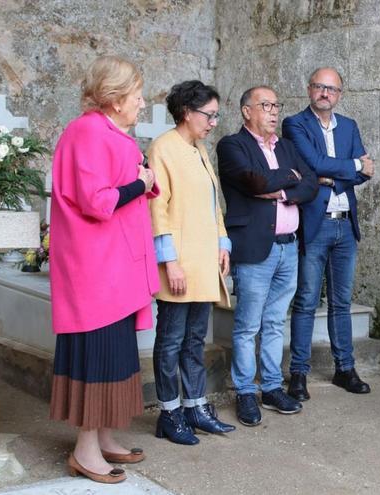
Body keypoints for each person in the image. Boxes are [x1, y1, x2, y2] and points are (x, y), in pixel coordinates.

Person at [49, 55, 158, 484]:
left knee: (115, 355)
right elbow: (98, 200)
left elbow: (126, 185)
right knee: (96, 357)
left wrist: (142, 180)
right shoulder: (88, 131)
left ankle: (104, 437)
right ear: (115, 99)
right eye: (137, 95)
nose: (142, 103)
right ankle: (84, 450)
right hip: (95, 270)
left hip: (114, 267)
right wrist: (140, 183)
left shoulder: (109, 132)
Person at [217, 86, 318, 426]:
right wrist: (288, 179)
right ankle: (246, 391)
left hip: (288, 247)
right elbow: (254, 181)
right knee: (248, 326)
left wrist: (281, 190)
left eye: (276, 105)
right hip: (255, 247)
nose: (274, 112)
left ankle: (272, 387)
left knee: (275, 322)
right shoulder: (232, 145)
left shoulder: (286, 146)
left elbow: (311, 183)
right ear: (247, 111)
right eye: (266, 105)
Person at [147, 80, 235, 445]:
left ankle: (195, 406)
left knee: (195, 340)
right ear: (187, 112)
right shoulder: (163, 148)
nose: (213, 123)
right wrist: (170, 262)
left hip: (203, 261)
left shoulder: (199, 149)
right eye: (209, 115)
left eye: (216, 116)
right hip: (180, 264)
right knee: (170, 341)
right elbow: (157, 209)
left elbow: (214, 205)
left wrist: (222, 244)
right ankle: (169, 412)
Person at [282, 67, 374, 399]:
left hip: (345, 224)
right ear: (309, 90)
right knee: (306, 300)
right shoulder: (295, 124)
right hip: (315, 223)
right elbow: (315, 163)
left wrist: (332, 175)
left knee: (341, 301)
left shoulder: (349, 126)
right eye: (320, 87)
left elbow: (365, 173)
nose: (325, 93)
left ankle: (344, 369)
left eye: (332, 89)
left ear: (339, 94)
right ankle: (298, 374)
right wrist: (352, 166)